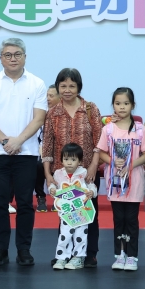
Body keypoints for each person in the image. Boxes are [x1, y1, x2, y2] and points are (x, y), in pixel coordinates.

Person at [0, 38, 48, 266]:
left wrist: (18, 141)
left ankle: (24, 250)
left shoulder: (37, 83)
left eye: (17, 54)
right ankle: (0, 250)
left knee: (25, 203)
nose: (13, 58)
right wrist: (5, 141)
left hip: (26, 153)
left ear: (25, 57)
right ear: (1, 58)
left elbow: (39, 118)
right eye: (8, 55)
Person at [42, 68, 103, 267]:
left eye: (72, 86)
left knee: (89, 213)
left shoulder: (90, 109)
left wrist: (93, 166)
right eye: (63, 86)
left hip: (86, 173)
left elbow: (99, 141)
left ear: (79, 87)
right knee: (65, 213)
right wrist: (48, 174)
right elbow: (47, 146)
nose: (67, 90)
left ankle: (90, 254)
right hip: (62, 175)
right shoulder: (53, 113)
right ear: (58, 87)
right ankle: (64, 254)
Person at [96, 88, 145, 271]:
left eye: (126, 103)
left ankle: (132, 256)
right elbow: (101, 152)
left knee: (131, 220)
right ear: (113, 105)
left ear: (133, 105)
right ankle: (120, 255)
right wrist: (113, 161)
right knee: (118, 219)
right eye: (118, 103)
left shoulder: (140, 129)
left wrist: (131, 164)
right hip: (115, 183)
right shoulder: (108, 129)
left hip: (134, 182)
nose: (122, 107)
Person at [49, 143, 97, 270]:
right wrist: (52, 189)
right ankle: (62, 257)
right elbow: (53, 185)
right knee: (64, 234)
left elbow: (91, 185)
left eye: (73, 159)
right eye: (66, 159)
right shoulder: (58, 174)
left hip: (81, 210)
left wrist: (92, 192)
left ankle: (78, 258)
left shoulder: (84, 173)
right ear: (61, 160)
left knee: (80, 234)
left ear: (80, 161)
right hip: (66, 211)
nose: (69, 162)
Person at [35, 85, 60, 212]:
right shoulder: (40, 113)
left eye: (51, 96)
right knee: (38, 164)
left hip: (60, 151)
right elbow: (36, 136)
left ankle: (59, 197)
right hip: (40, 150)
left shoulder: (62, 114)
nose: (47, 98)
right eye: (46, 96)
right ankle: (41, 197)